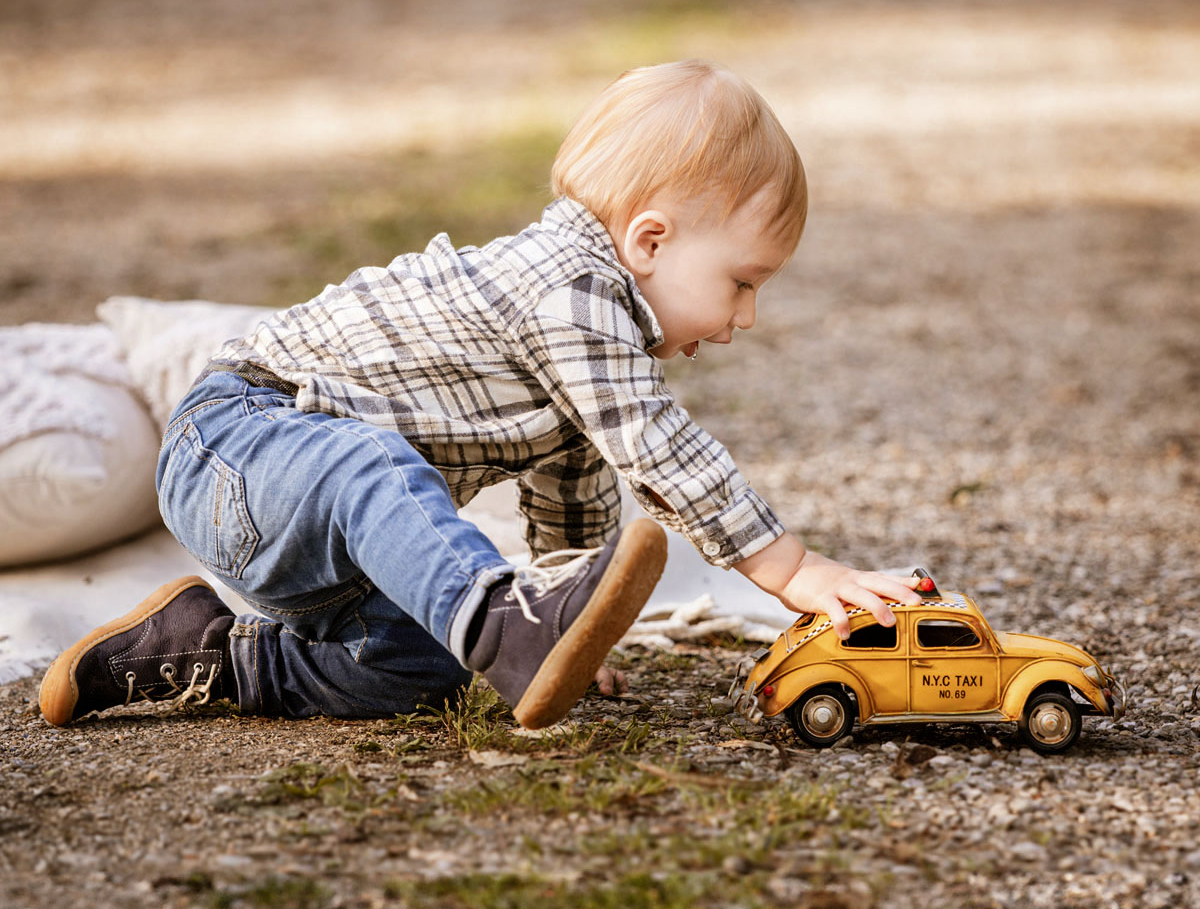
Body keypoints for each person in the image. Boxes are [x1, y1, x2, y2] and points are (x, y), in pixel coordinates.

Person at [39, 59, 919, 730]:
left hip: (319, 554)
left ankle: (215, 655)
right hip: (241, 447)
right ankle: (507, 625)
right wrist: (789, 565)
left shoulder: (592, 352)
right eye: (741, 282)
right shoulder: (567, 288)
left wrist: (578, 628)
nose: (748, 316)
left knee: (432, 657)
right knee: (368, 463)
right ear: (650, 240)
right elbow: (653, 441)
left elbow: (574, 506)